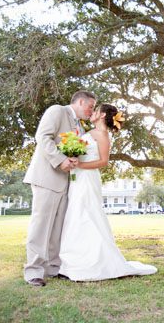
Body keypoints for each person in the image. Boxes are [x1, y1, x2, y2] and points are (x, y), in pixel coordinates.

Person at [58, 103, 158, 281]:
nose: (92, 113)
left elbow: (103, 162)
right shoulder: (88, 131)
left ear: (102, 115)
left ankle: (91, 263)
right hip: (78, 178)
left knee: (86, 215)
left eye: (95, 111)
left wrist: (80, 164)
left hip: (88, 178)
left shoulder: (103, 135)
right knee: (75, 215)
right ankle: (72, 262)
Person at [23, 90, 97, 287]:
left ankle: (54, 268)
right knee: (41, 226)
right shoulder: (57, 111)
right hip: (46, 177)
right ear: (81, 102)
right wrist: (61, 160)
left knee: (57, 228)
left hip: (66, 183)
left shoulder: (79, 125)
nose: (92, 111)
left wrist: (74, 159)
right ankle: (34, 271)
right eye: (91, 106)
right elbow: (43, 137)